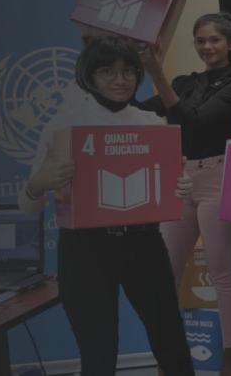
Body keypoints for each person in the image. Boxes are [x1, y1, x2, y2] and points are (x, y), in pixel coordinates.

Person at [19, 38, 194, 376]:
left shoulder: (152, 123)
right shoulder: (64, 125)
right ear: (89, 76)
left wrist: (180, 187)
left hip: (143, 244)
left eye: (129, 71)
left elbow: (167, 191)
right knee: (98, 352)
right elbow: (29, 206)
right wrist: (39, 182)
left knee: (171, 343)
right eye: (107, 71)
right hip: (86, 250)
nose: (120, 80)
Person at [139, 13, 231, 375]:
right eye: (201, 41)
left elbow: (196, 121)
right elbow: (143, 111)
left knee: (222, 272)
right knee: (163, 271)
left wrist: (157, 72)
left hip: (218, 177)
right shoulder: (185, 82)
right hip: (179, 178)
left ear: (230, 43)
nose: (207, 47)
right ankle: (170, 354)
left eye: (215, 40)